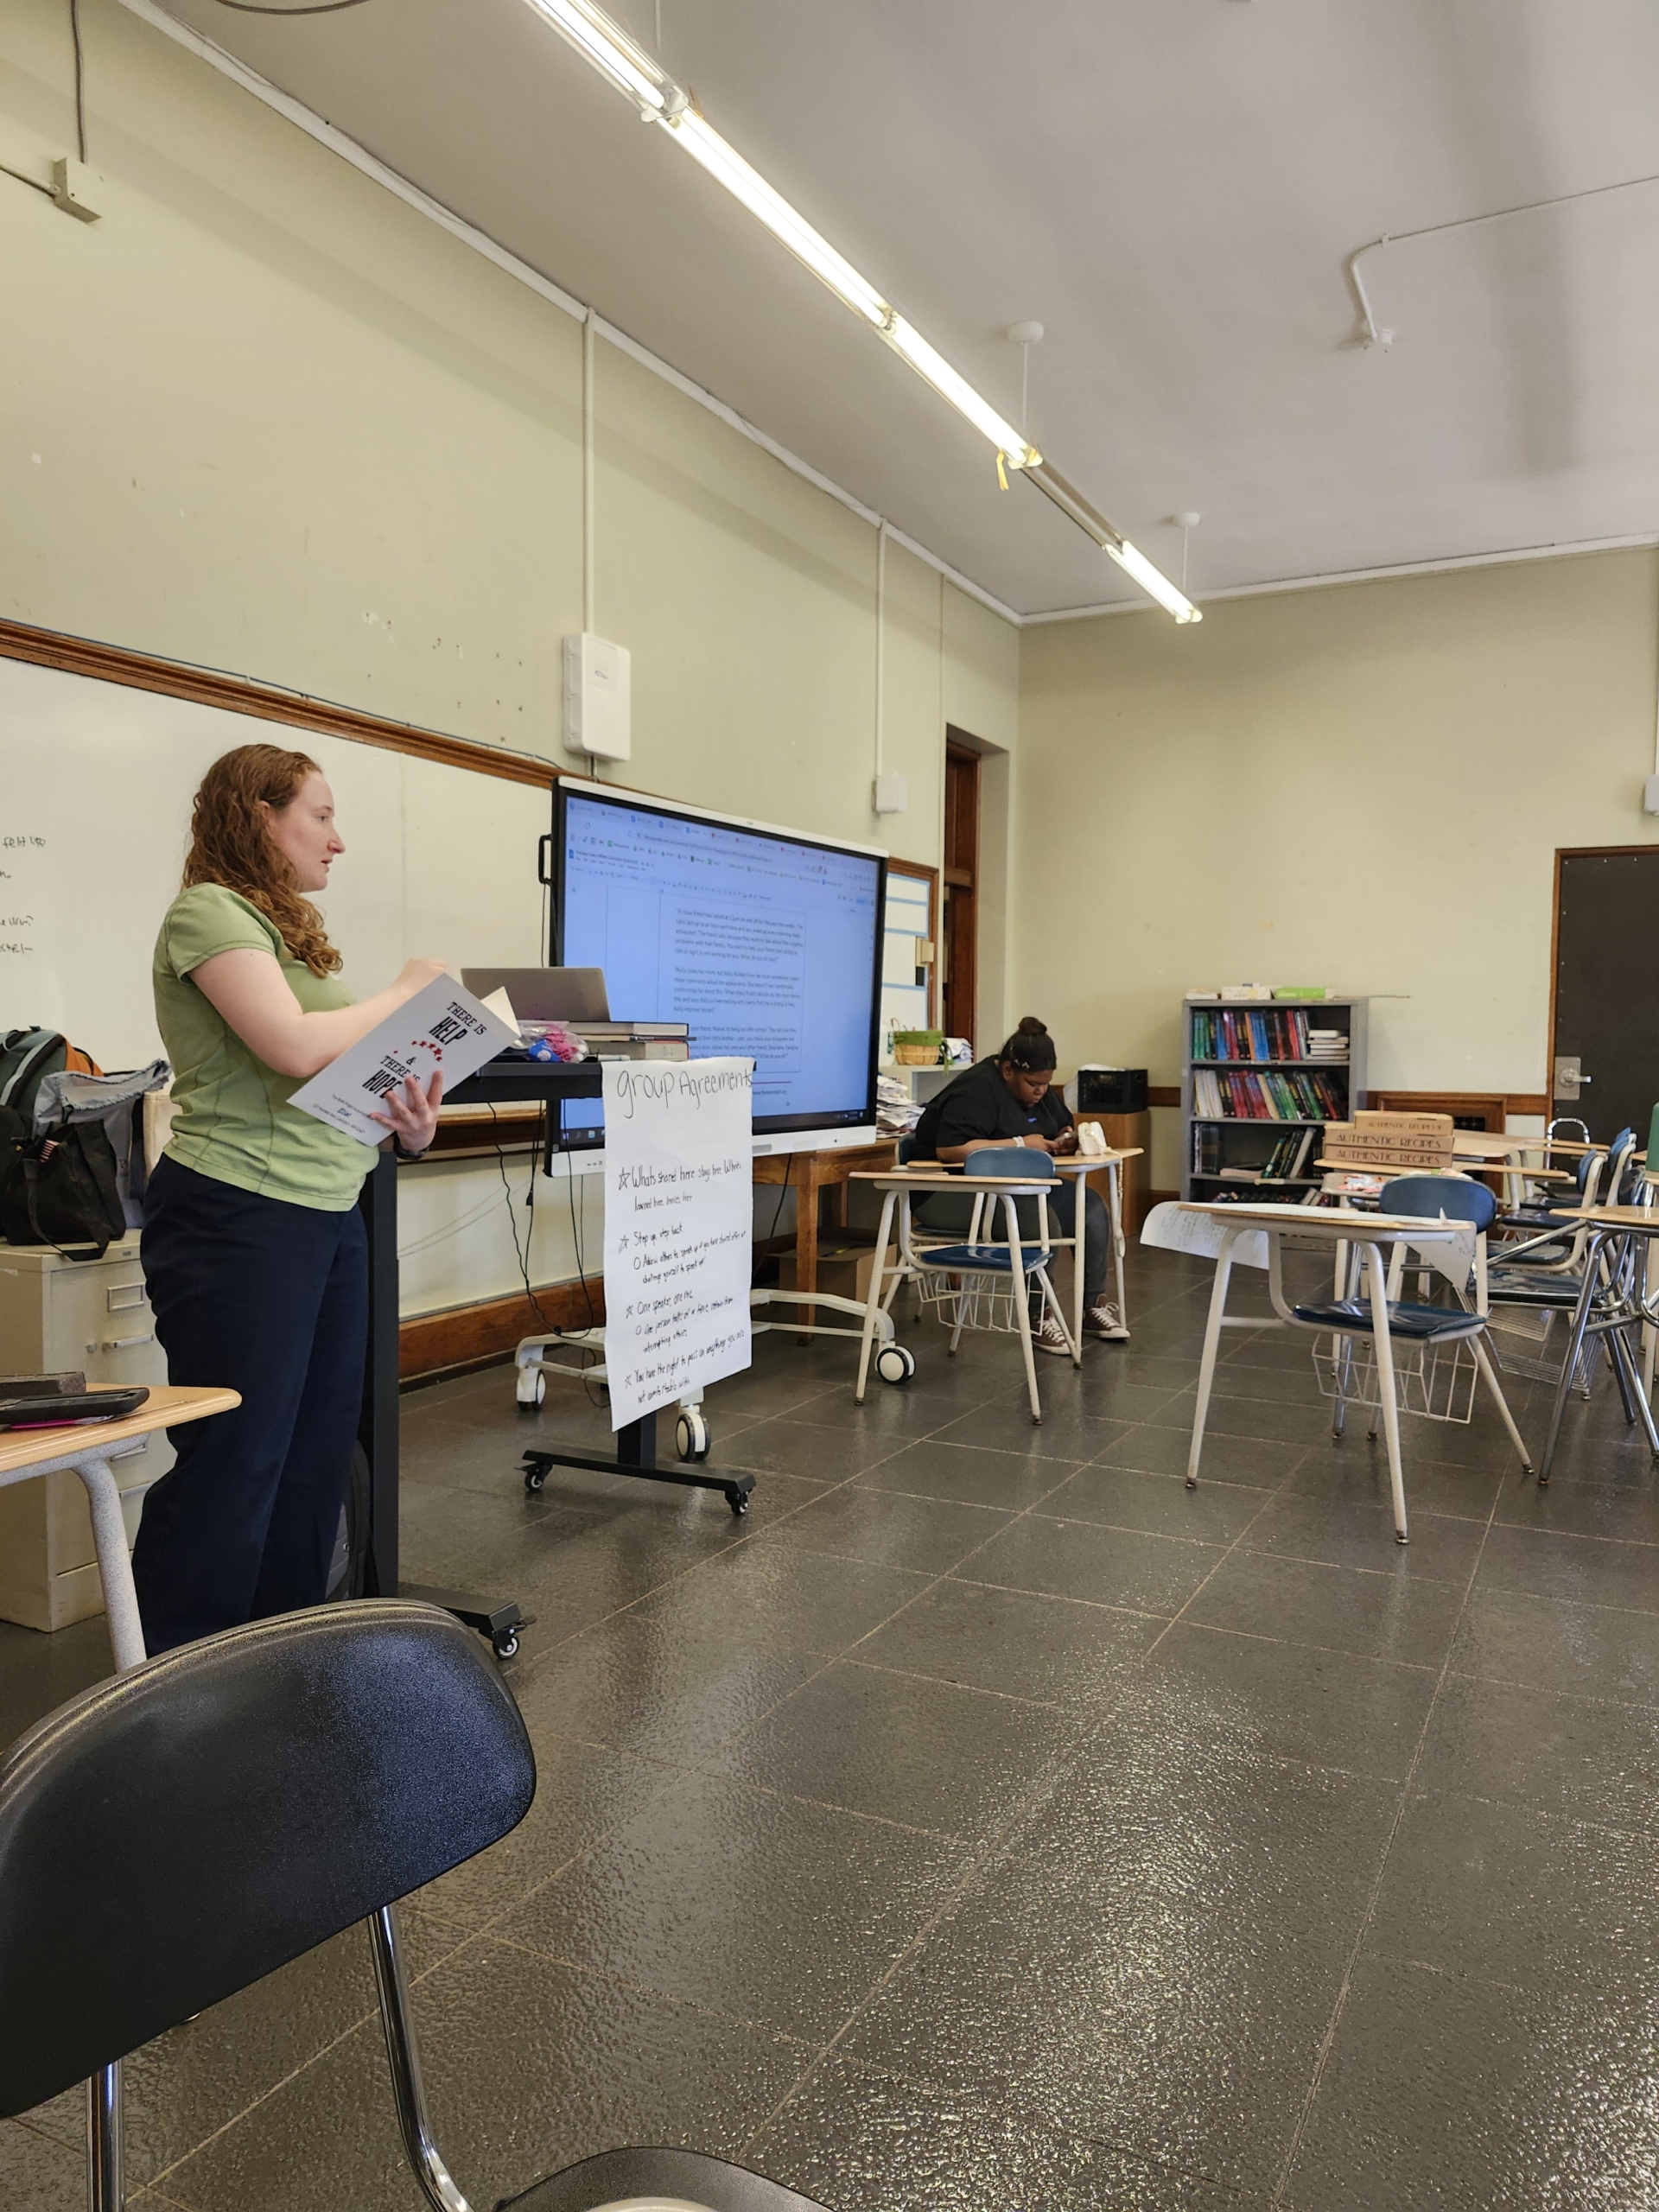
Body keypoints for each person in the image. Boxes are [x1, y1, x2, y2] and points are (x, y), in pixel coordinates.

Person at [134, 743, 450, 1653]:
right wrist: (406, 994)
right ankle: (182, 1685)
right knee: (238, 1460)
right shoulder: (208, 913)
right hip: (237, 1217)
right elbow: (292, 1045)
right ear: (260, 816)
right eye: (321, 815)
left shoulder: (287, 934)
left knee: (315, 1460)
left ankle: (282, 1659)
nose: (337, 840)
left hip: (327, 1214)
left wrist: (409, 1127)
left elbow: (325, 1087)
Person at [909, 1015, 1128, 1351]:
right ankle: (1038, 1315)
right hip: (945, 1191)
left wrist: (1067, 1138)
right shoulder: (976, 1089)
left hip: (1014, 1187)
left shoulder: (1039, 1091)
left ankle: (1092, 1306)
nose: (1040, 1091)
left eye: (1046, 1083)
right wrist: (1021, 1144)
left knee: (1091, 1208)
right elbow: (949, 1150)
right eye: (1033, 1083)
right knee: (1041, 1221)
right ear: (1008, 1070)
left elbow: (1060, 1124)